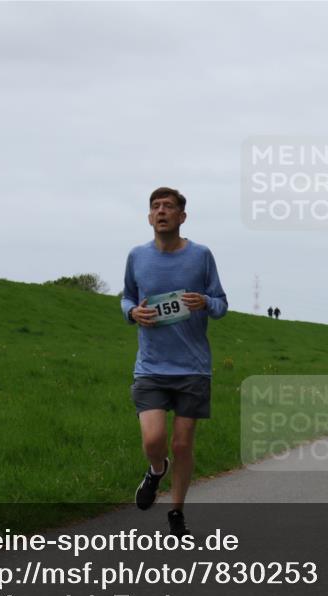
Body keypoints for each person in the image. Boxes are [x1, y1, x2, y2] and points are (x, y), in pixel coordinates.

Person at [122, 187, 227, 537]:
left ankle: (176, 512)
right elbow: (126, 299)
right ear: (150, 217)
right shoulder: (137, 256)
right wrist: (133, 312)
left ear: (182, 217)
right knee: (154, 440)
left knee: (183, 444)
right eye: (155, 206)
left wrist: (205, 303)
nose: (161, 211)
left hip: (193, 367)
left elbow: (221, 303)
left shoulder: (201, 256)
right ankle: (156, 470)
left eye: (169, 206)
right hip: (151, 366)